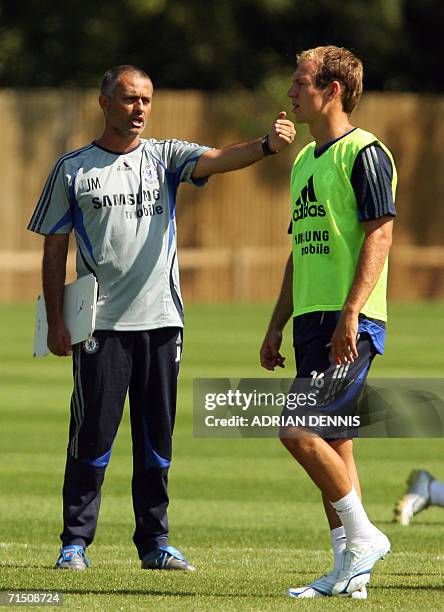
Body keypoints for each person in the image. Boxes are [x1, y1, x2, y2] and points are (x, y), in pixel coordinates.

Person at [28, 64, 295, 572]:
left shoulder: (165, 157)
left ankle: (155, 543)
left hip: (162, 324)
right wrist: (58, 320)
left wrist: (265, 145)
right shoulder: (73, 168)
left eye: (146, 100)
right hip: (99, 329)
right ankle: (75, 544)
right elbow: (53, 245)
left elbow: (217, 158)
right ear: (105, 103)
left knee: (156, 441)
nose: (139, 110)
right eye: (129, 99)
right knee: (91, 440)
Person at [259, 46, 397, 598]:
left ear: (332, 89)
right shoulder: (303, 162)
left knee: (296, 429)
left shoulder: (365, 154)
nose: (291, 93)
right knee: (336, 447)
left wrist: (351, 314)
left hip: (350, 323)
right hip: (311, 321)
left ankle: (364, 538)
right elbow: (300, 251)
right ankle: (350, 576)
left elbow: (380, 234)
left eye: (300, 83)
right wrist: (275, 324)